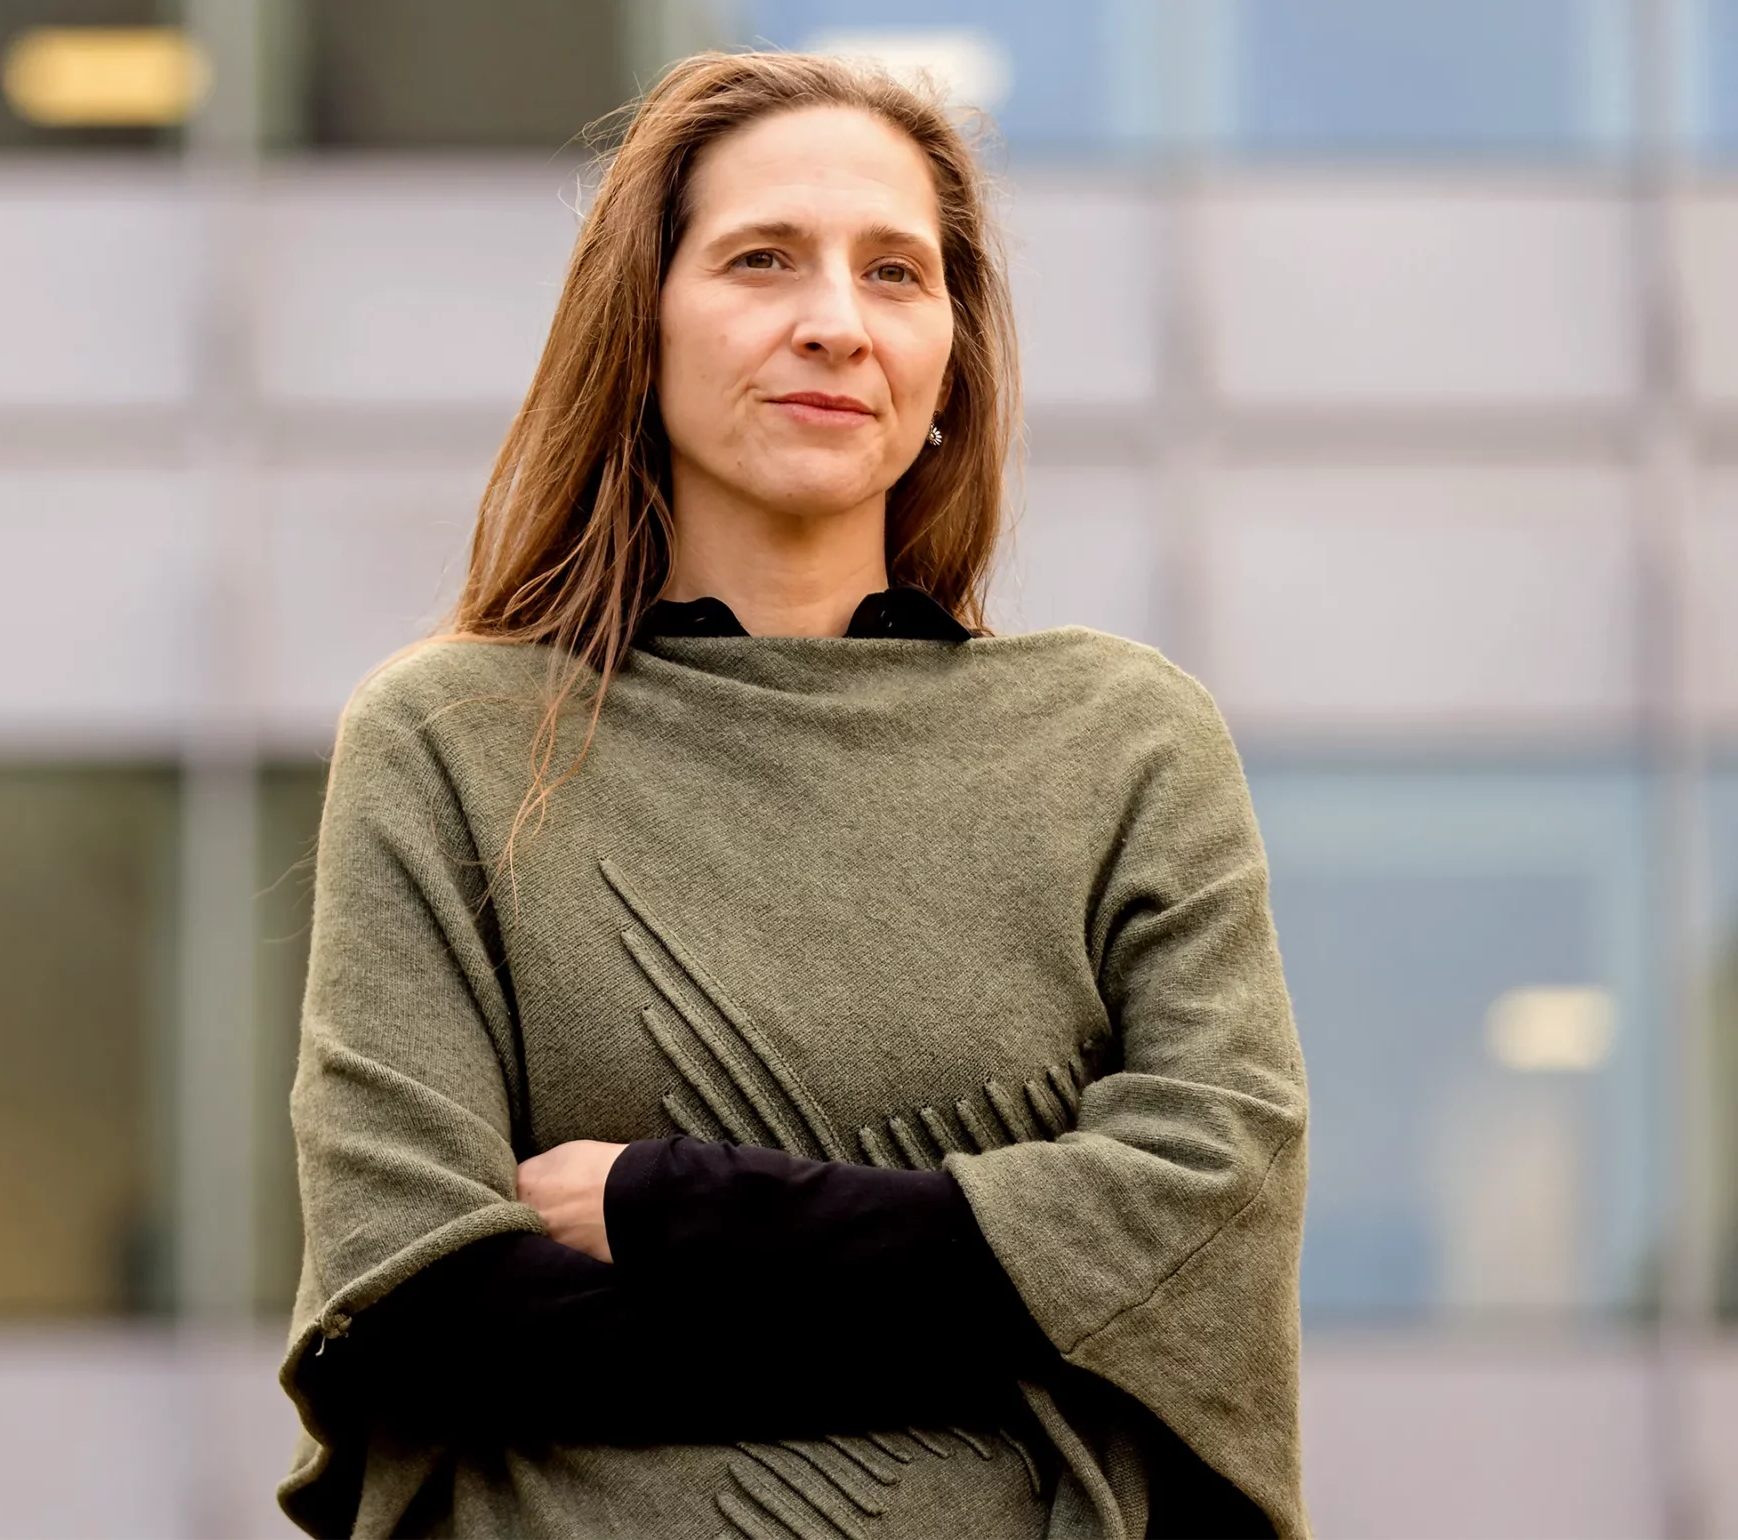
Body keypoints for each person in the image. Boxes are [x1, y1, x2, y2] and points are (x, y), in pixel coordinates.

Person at [279, 50, 1308, 1540]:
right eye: (762, 260)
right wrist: (1016, 1300)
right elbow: (426, 1304)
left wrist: (680, 1210)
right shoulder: (449, 740)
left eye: (895, 273)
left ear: (951, 356)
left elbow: (1205, 1209)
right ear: (640, 325)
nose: (834, 322)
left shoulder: (1122, 741)